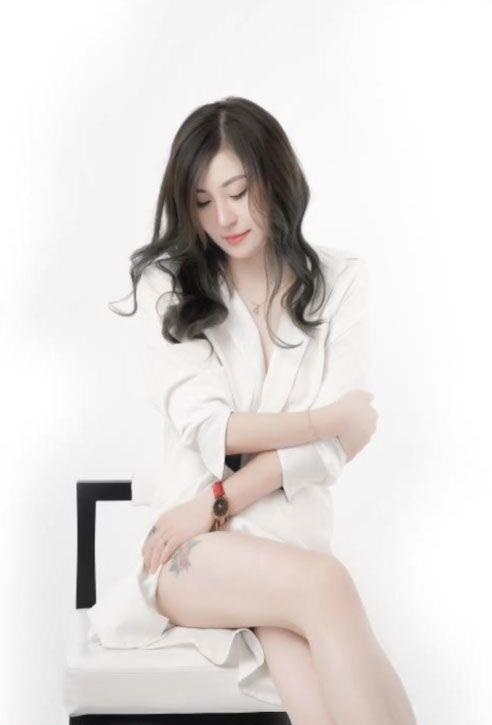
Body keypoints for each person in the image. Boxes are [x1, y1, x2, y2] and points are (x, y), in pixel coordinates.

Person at [87, 96, 417, 724]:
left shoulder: (342, 280)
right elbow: (217, 429)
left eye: (238, 192)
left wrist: (220, 496)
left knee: (306, 670)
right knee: (327, 585)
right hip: (191, 550)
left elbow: (333, 452)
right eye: (203, 202)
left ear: (275, 177)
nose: (224, 218)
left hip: (280, 541)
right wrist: (325, 422)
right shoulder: (171, 285)